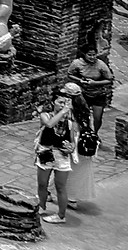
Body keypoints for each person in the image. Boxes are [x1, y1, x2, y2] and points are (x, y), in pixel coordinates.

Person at [34, 86, 76, 223]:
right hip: (46, 153)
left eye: (65, 103)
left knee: (60, 186)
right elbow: (49, 125)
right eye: (60, 102)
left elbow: (72, 141)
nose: (63, 106)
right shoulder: (45, 115)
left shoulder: (69, 122)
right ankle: (41, 206)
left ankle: (61, 216)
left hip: (61, 156)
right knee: (42, 183)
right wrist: (63, 111)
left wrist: (70, 148)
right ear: (53, 103)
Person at [65, 42, 113, 142]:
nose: (92, 57)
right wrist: (80, 80)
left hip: (98, 93)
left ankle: (94, 134)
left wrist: (95, 83)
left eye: (94, 55)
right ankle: (84, 133)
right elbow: (70, 74)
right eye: (89, 55)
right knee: (82, 115)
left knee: (97, 117)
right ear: (84, 54)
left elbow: (109, 79)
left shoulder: (100, 65)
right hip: (83, 93)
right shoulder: (77, 63)